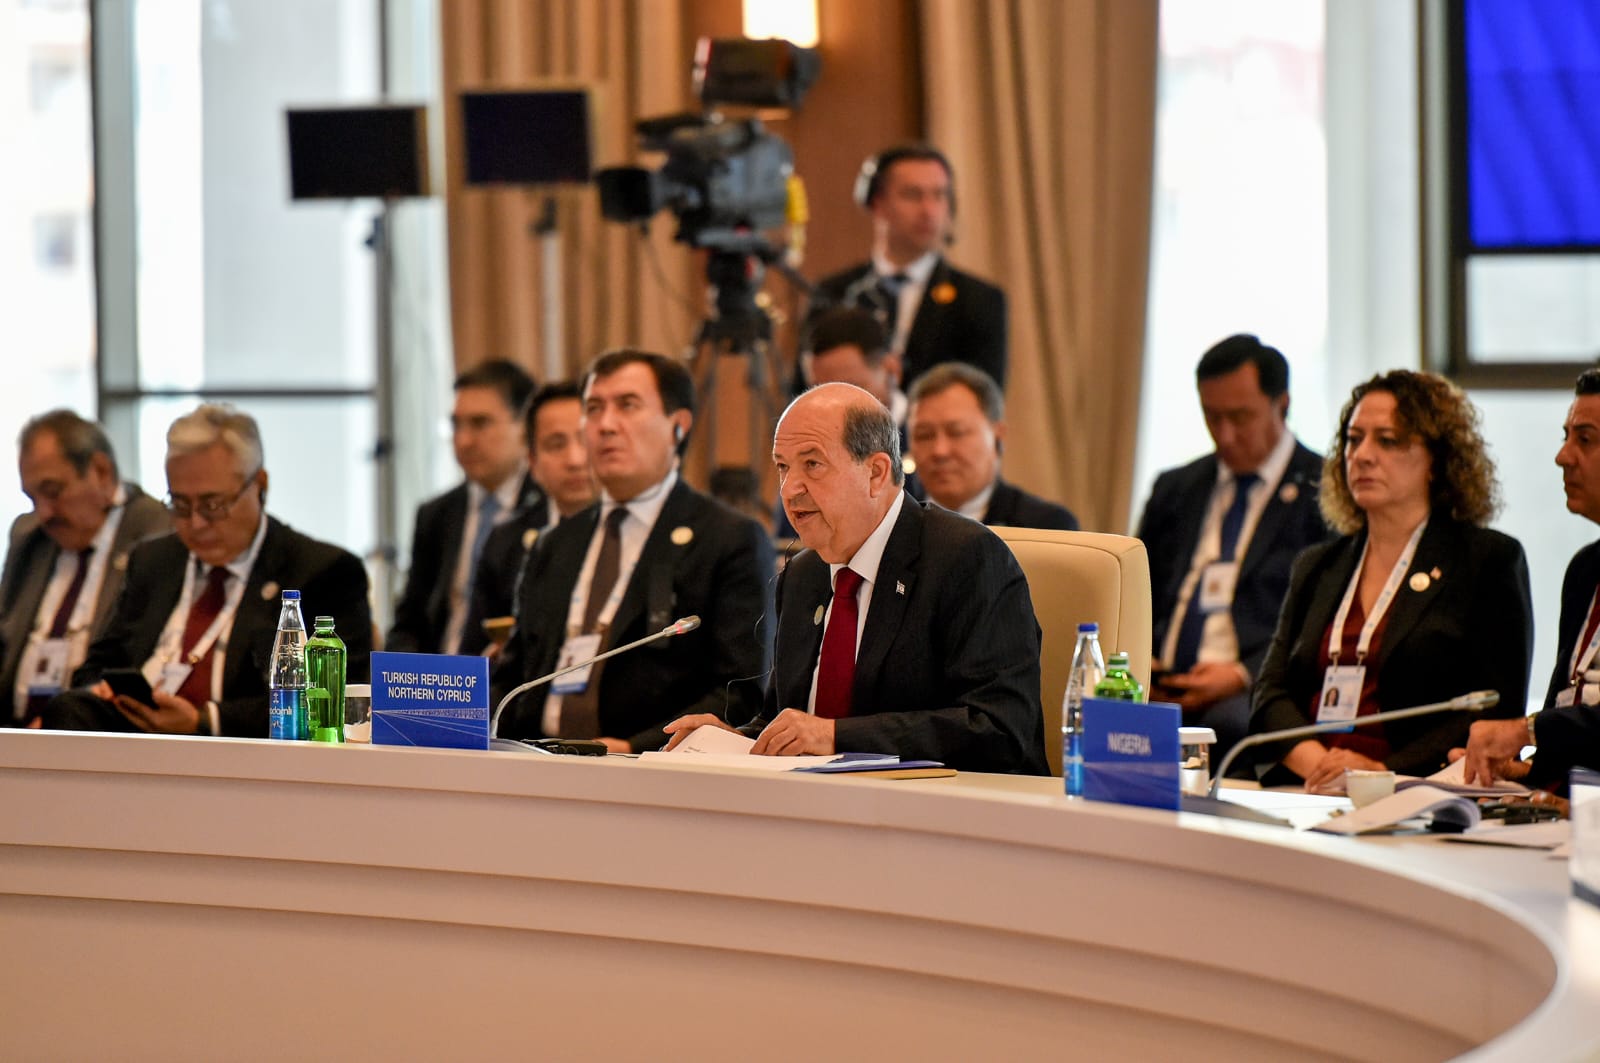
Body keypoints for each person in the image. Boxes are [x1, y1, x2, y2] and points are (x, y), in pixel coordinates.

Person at [664, 382, 1048, 775]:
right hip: (823, 805)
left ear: (876, 473)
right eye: (783, 466)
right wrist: (732, 741)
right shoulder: (803, 576)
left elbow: (999, 729)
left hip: (946, 805)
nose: (789, 489)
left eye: (812, 464)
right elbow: (792, 724)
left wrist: (836, 736)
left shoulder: (966, 558)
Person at [1250, 370, 1532, 790]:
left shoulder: (1487, 560)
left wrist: (1380, 772)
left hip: (1419, 790)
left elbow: (1493, 708)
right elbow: (1270, 693)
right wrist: (1323, 766)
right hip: (1308, 785)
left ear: (1437, 459)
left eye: (1388, 440)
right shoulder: (1317, 565)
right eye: (1353, 439)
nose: (1362, 455)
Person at [493, 350, 774, 754]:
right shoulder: (554, 544)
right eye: (594, 409)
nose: (606, 425)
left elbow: (740, 692)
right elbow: (514, 677)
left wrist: (631, 747)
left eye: (627, 405)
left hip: (649, 768)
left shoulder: (728, 538)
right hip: (535, 762)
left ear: (678, 426)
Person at [41, 404, 373, 738]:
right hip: (135, 736)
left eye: (213, 505)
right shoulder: (153, 561)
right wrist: (104, 690)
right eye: (181, 505)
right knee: (69, 709)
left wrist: (204, 721)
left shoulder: (324, 571)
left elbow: (333, 697)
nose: (196, 523)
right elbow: (96, 665)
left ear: (260, 485)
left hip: (237, 749)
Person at [1138, 334, 1329, 764]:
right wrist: (1138, 658)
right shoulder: (1176, 488)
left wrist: (1243, 674)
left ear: (1282, 404)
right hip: (1163, 681)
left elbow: (1322, 619)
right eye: (1212, 416)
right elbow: (1135, 589)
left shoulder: (1324, 492)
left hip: (1251, 685)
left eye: (1240, 417)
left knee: (1228, 724)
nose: (1225, 435)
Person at [1458, 369, 1600, 793]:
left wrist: (1527, 729)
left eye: (1585, 440)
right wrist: (1526, 770)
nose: (1562, 456)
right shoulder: (1585, 570)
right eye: (1566, 437)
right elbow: (1570, 704)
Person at [1, 410, 171, 726]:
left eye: (53, 492)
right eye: (32, 498)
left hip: (97, 730)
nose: (43, 512)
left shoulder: (159, 535)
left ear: (101, 472)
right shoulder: (28, 537)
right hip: (13, 732)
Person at [812, 144, 1007, 392]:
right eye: (913, 195)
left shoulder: (979, 300)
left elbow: (983, 399)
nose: (929, 210)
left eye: (939, 195)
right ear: (877, 203)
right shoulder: (834, 293)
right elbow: (804, 389)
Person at [388, 359, 539, 655]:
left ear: (524, 427)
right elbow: (410, 621)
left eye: (480, 423)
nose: (463, 440)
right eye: (456, 425)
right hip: (435, 675)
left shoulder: (548, 509)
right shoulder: (436, 514)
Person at [461, 381, 595, 655]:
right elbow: (473, 653)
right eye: (556, 444)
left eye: (585, 440)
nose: (575, 459)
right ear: (532, 462)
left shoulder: (632, 533)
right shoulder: (504, 542)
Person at [775, 308, 922, 538]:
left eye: (852, 387)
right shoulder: (803, 450)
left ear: (891, 369)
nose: (834, 405)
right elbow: (791, 542)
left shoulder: (932, 439)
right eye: (820, 391)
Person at [907, 362, 1078, 530]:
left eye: (957, 432)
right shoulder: (898, 519)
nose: (940, 451)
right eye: (924, 435)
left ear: (997, 437)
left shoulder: (1046, 527)